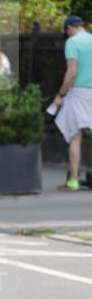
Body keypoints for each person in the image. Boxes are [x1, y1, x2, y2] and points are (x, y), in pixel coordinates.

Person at [53, 14, 92, 191]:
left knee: (75, 136)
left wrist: (61, 94)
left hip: (79, 92)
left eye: (66, 32)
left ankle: (74, 180)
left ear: (70, 28)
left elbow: (71, 73)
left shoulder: (73, 42)